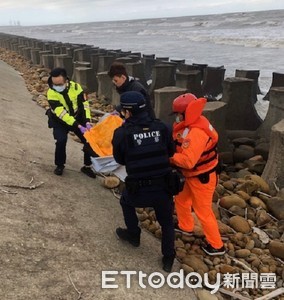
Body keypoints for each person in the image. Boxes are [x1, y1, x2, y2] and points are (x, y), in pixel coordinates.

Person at [112, 91, 176, 272]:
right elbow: (170, 152)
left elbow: (120, 160)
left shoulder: (121, 133)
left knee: (125, 202)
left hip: (137, 189)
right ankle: (168, 257)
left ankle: (133, 235)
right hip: (163, 188)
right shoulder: (164, 127)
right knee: (167, 223)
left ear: (127, 112)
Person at [170, 93, 225, 256]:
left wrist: (170, 158)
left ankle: (217, 246)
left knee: (203, 212)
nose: (177, 117)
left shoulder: (196, 132)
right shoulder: (194, 123)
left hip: (202, 177)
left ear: (186, 113)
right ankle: (185, 226)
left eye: (178, 114)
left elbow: (188, 161)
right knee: (181, 199)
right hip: (191, 176)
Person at [46, 67, 96, 178]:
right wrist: (77, 125)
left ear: (66, 80)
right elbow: (61, 113)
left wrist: (87, 121)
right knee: (61, 140)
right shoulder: (51, 92)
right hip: (59, 120)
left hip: (77, 116)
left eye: (60, 84)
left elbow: (84, 105)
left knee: (89, 139)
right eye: (55, 84)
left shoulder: (76, 87)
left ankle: (87, 166)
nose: (57, 87)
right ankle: (60, 165)